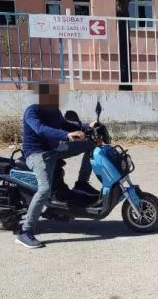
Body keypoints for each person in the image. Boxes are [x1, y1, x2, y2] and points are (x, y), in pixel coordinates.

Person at [16, 83, 98, 249]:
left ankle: (82, 183)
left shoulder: (54, 111)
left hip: (53, 150)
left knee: (90, 145)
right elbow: (41, 129)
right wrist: (67, 136)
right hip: (36, 154)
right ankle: (25, 231)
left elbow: (65, 125)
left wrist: (87, 126)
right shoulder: (32, 111)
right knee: (44, 189)